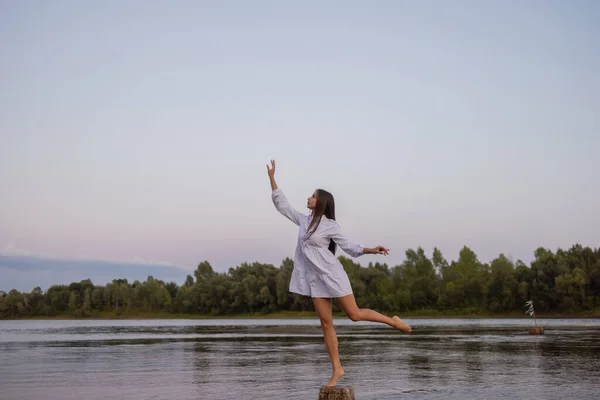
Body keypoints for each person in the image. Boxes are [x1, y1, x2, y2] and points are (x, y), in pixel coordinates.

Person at [266, 159, 412, 388]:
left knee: (354, 314)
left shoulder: (330, 226)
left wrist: (372, 249)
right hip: (315, 279)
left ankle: (391, 321)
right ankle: (337, 369)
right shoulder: (303, 221)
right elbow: (283, 206)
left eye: (312, 196)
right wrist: (272, 179)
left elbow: (349, 246)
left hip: (332, 275)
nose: (308, 198)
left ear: (320, 203)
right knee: (326, 323)